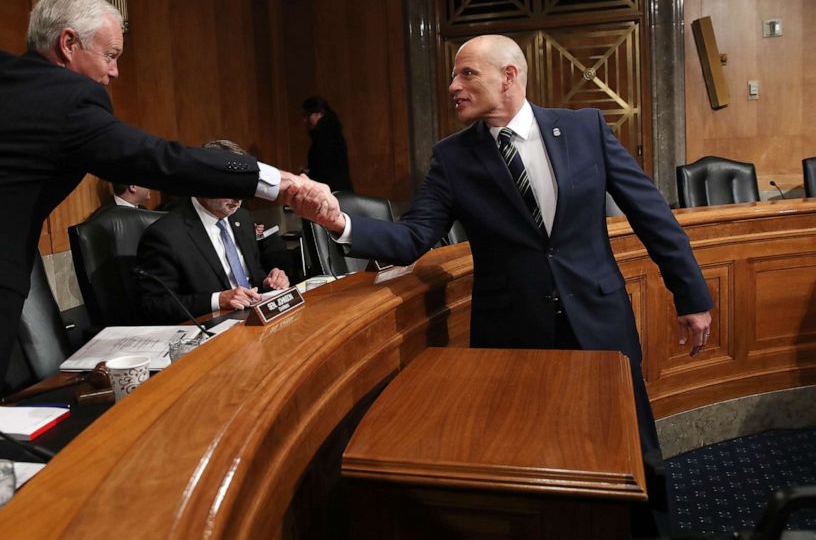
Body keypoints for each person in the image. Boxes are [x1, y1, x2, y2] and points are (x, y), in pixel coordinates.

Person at [0, 0, 301, 481]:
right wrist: (278, 181)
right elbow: (158, 159)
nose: (114, 72)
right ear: (69, 43)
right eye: (111, 55)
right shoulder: (70, 99)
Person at [291, 35, 712, 533]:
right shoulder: (452, 157)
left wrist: (691, 296)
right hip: (512, 333)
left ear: (509, 76)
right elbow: (412, 237)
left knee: (633, 453)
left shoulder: (585, 128)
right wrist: (339, 221)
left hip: (598, 321)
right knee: (529, 463)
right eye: (454, 75)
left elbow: (652, 215)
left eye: (467, 74)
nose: (453, 86)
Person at [136, 140, 290, 322]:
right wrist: (218, 300)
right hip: (212, 330)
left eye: (243, 186)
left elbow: (251, 275)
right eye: (230, 186)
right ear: (202, 180)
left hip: (256, 320)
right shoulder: (165, 235)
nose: (238, 197)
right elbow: (154, 305)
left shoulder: (242, 218)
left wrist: (268, 282)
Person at [302, 96, 353, 193]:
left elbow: (324, 168)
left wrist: (310, 174)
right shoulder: (332, 132)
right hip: (339, 191)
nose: (305, 120)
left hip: (331, 192)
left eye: (308, 115)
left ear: (320, 113)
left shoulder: (325, 136)